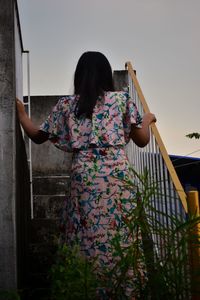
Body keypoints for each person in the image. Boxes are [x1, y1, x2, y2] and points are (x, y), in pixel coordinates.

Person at [16, 51, 156, 294]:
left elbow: (38, 136)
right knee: (120, 235)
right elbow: (143, 140)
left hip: (84, 179)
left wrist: (20, 113)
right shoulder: (121, 100)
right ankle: (125, 290)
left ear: (79, 76)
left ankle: (84, 289)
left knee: (84, 235)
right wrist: (148, 118)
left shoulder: (67, 105)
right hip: (117, 179)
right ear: (106, 75)